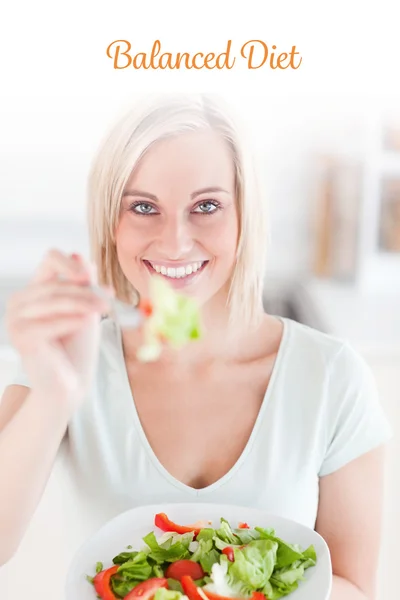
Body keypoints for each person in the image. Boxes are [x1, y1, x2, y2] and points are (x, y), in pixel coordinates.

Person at [0, 93, 392, 599]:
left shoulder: (333, 377)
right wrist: (55, 394)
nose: (176, 242)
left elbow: (357, 588)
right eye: (144, 208)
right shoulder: (68, 363)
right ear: (110, 224)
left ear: (244, 216)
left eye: (206, 206)